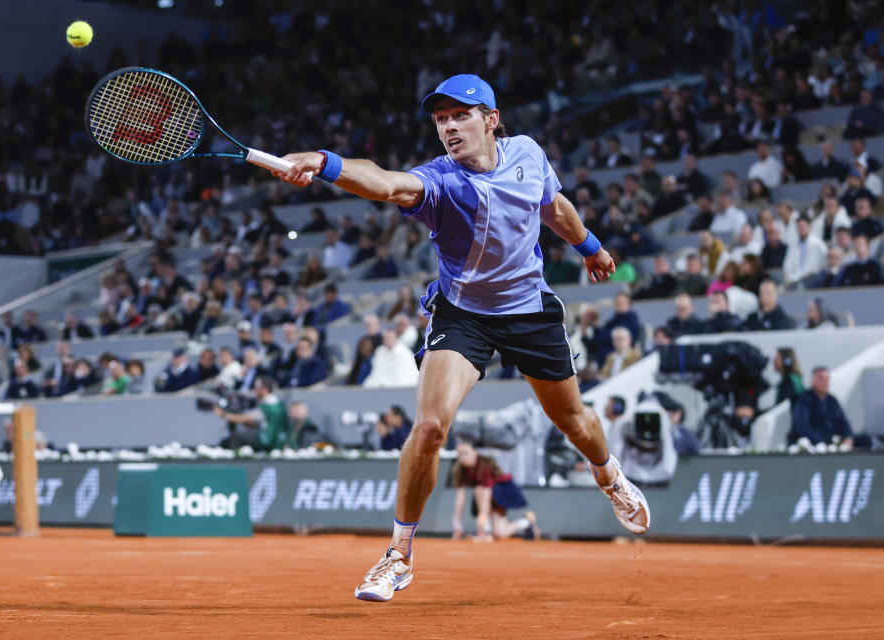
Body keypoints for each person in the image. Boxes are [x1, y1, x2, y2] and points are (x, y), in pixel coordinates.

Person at [274, 73, 649, 602]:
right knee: (428, 427)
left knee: (574, 421)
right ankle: (399, 554)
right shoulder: (442, 183)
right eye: (441, 119)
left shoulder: (527, 153)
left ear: (491, 120)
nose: (449, 128)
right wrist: (325, 161)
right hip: (464, 314)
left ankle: (609, 476)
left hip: (528, 311)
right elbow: (386, 183)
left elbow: (553, 207)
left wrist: (590, 247)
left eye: (461, 116)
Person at [450, 442, 539, 542]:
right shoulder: (460, 470)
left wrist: (482, 527)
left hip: (503, 491)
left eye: (465, 453)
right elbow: (460, 496)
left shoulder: (484, 465)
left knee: (479, 490)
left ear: (475, 452)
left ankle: (485, 530)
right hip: (489, 496)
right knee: (500, 533)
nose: (462, 457)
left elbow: (485, 495)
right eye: (460, 454)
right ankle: (526, 522)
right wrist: (456, 520)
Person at [214, 376, 289, 451]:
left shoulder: (266, 405)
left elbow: (242, 419)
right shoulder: (279, 403)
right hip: (279, 440)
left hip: (267, 440)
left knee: (237, 436)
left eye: (256, 388)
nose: (255, 391)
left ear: (264, 389)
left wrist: (222, 414)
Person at [789, 367, 853, 446]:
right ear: (813, 381)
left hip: (833, 444)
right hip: (814, 446)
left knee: (866, 441)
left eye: (827, 379)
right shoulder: (804, 400)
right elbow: (803, 428)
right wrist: (822, 443)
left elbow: (843, 422)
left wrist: (848, 437)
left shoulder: (832, 400)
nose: (825, 382)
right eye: (821, 379)